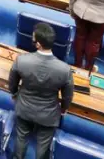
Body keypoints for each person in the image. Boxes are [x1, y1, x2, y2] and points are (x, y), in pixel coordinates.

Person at [9, 22, 74, 159]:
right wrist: (64, 109)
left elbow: (12, 83)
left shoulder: (21, 60)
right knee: (43, 147)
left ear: (38, 44)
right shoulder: (65, 69)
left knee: (21, 138)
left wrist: (14, 94)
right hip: (48, 114)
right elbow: (67, 96)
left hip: (24, 108)